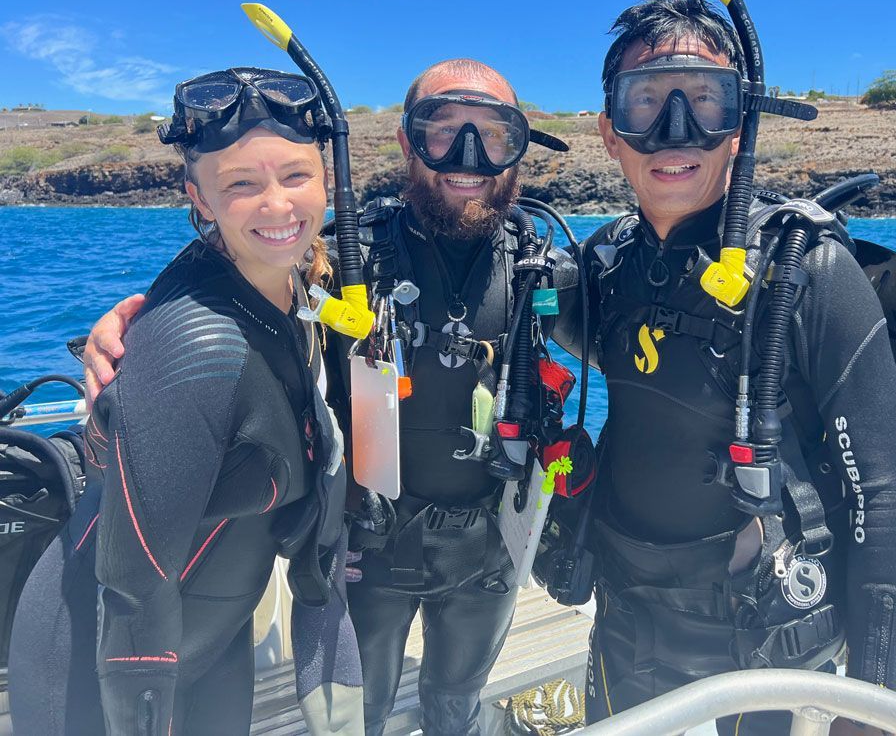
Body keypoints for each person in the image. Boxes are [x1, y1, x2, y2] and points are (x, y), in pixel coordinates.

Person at [82, 58, 577, 736]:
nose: (469, 158)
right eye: (442, 133)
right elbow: (242, 284)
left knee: (457, 703)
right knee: (358, 716)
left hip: (490, 544)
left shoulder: (544, 266)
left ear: (520, 148)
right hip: (369, 546)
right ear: (407, 143)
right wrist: (133, 328)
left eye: (493, 135)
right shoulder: (347, 259)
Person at [550, 0, 896, 735]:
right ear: (608, 133)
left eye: (706, 102)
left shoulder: (806, 271)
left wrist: (874, 702)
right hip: (627, 608)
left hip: (764, 627)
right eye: (646, 103)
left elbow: (881, 495)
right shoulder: (604, 266)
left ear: (740, 125)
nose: (674, 132)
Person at [11, 68, 363, 736]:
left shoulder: (308, 288)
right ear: (198, 197)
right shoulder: (196, 349)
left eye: (295, 176)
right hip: (108, 663)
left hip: (213, 640)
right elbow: (133, 589)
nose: (278, 206)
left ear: (327, 181)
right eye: (241, 184)